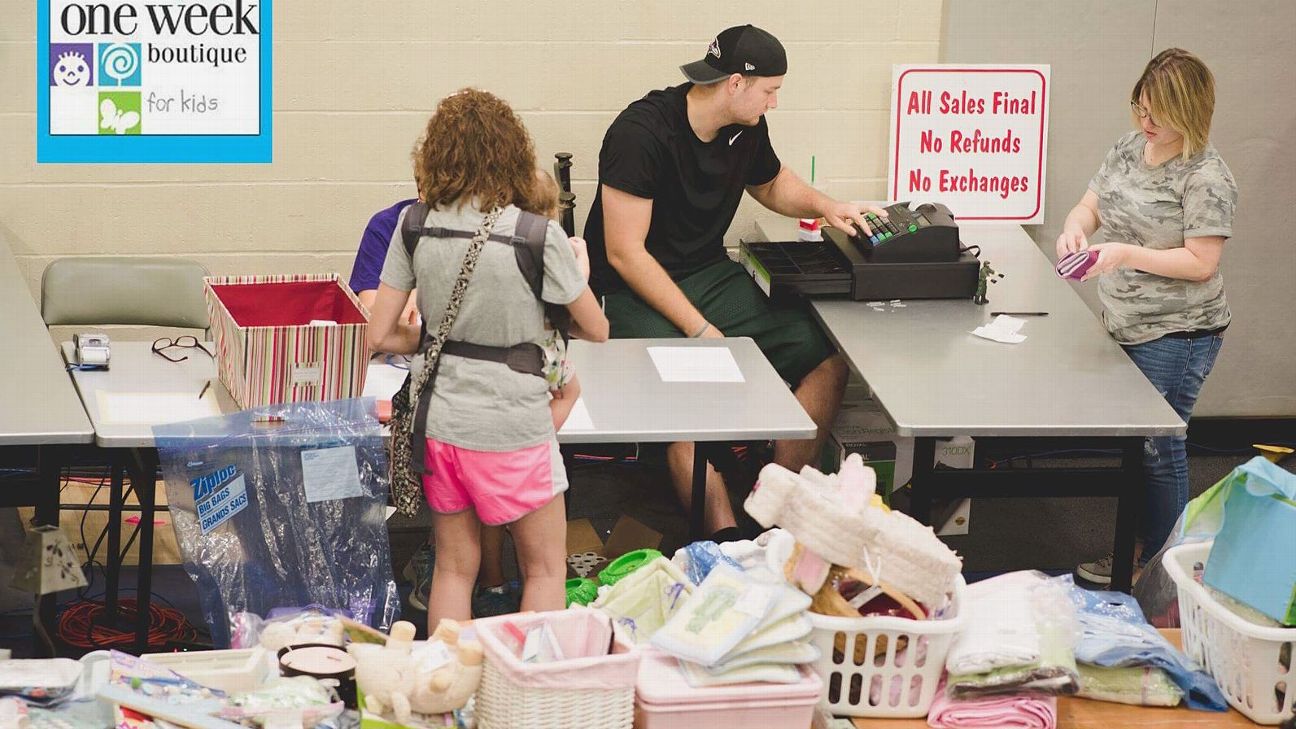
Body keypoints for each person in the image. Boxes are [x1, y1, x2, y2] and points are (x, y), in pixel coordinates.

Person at [582, 24, 888, 541]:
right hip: (627, 286)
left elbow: (770, 182)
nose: (774, 103)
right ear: (736, 84)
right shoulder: (640, 134)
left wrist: (829, 206)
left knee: (823, 356)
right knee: (687, 386)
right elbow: (624, 253)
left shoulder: (744, 129)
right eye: (770, 90)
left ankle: (777, 512)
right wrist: (701, 331)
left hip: (706, 274)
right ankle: (726, 540)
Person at [367, 88, 609, 628]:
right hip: (512, 429)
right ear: (512, 154)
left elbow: (379, 333)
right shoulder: (535, 234)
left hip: (443, 426)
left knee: (455, 570)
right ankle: (523, 695)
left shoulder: (414, 224)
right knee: (545, 569)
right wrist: (577, 279)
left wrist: (433, 340)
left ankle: (444, 693)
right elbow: (596, 329)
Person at [1057, 49, 1236, 586]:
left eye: (1159, 113)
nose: (1146, 122)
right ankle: (1139, 551)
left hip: (1178, 333)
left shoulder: (1207, 176)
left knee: (1160, 449)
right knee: (1139, 446)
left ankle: (1166, 575)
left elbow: (1202, 263)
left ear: (1190, 110)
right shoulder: (1129, 147)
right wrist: (1076, 226)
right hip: (1125, 322)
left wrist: (1123, 254)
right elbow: (1092, 204)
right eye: (1140, 107)